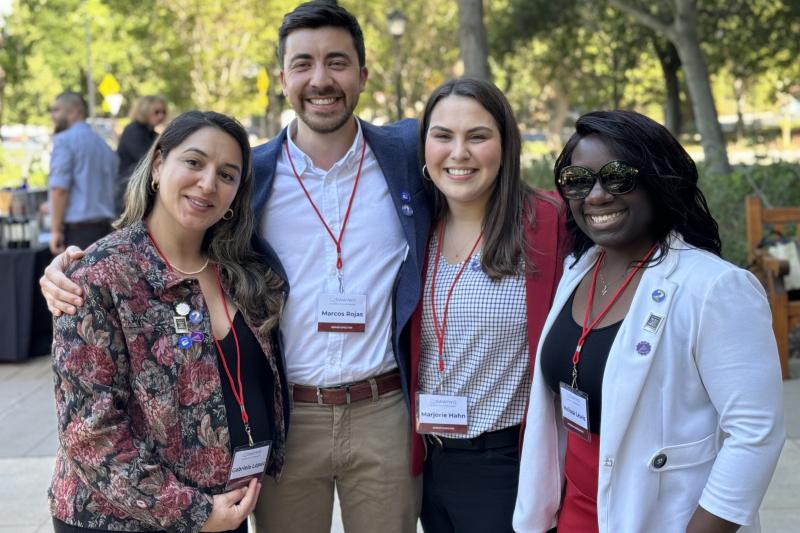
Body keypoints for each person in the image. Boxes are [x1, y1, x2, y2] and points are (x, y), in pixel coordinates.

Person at [41, 3, 431, 533]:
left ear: (363, 74)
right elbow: (158, 253)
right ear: (282, 78)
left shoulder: (409, 151)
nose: (321, 79)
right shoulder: (254, 172)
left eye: (337, 62)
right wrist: (69, 271)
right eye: (303, 64)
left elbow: (480, 176)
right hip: (287, 424)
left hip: (381, 407)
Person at [513, 110, 785, 533]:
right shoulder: (579, 268)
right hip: (574, 513)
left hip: (658, 517)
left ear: (658, 180)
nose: (597, 195)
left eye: (618, 176)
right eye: (578, 180)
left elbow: (755, 434)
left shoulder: (714, 288)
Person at [48, 110, 288, 533]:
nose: (208, 183)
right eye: (194, 162)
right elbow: (91, 434)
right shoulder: (102, 275)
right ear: (159, 164)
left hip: (224, 509)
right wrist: (194, 514)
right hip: (120, 520)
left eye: (227, 174)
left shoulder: (243, 273)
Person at [407, 78, 566, 533]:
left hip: (506, 462)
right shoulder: (417, 229)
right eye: (443, 136)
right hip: (431, 462)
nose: (459, 153)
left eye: (477, 136)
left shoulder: (547, 224)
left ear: (505, 144)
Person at [47, 91, 119, 255]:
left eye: (57, 110)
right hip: (105, 230)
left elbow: (60, 189)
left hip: (78, 234)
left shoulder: (64, 140)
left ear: (74, 112)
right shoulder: (103, 145)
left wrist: (55, 230)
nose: (53, 115)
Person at [116, 95, 168, 213]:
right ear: (145, 110)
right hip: (130, 190)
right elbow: (146, 158)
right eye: (156, 112)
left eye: (163, 112)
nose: (161, 116)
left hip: (142, 189)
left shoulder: (153, 134)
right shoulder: (133, 130)